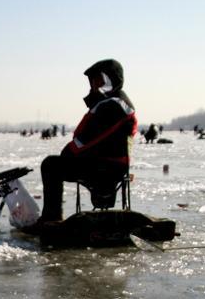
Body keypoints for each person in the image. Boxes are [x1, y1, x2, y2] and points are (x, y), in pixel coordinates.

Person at [36, 59, 137, 223]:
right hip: (104, 163)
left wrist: (67, 154)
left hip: (107, 166)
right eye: (93, 81)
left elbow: (88, 137)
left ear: (109, 79)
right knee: (53, 164)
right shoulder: (109, 102)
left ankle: (51, 218)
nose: (94, 84)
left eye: (98, 79)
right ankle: (52, 217)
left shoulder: (115, 104)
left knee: (51, 165)